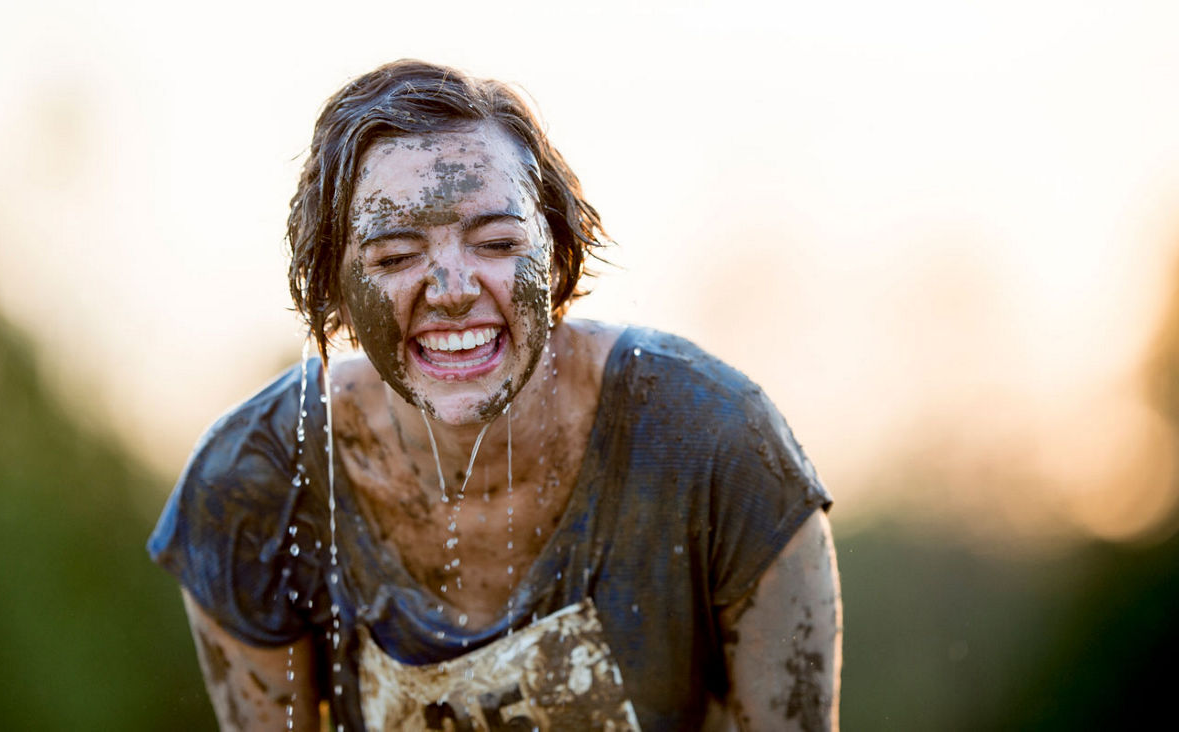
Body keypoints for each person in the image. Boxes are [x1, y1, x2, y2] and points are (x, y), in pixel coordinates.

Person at [149, 59, 840, 731]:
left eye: (496, 243)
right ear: (334, 286)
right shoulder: (258, 485)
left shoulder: (715, 443)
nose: (452, 291)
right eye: (394, 257)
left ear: (558, 253)